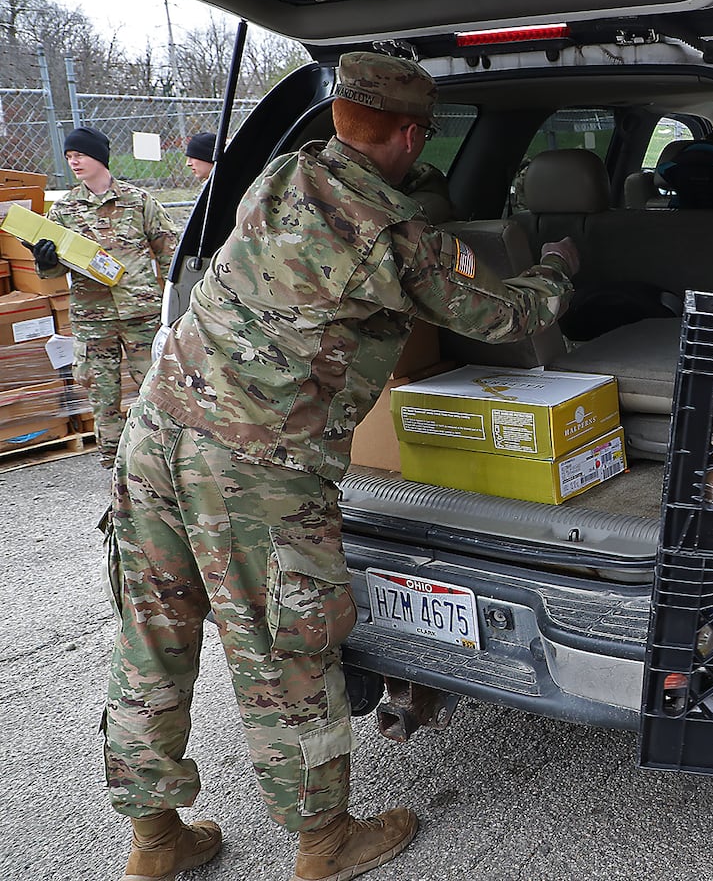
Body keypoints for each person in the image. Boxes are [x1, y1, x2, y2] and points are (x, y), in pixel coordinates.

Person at [103, 51, 580, 881]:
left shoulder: (281, 175)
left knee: (153, 634)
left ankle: (155, 838)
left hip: (155, 434)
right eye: (422, 135)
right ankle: (324, 842)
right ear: (405, 131)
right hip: (253, 470)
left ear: (334, 120)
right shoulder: (390, 236)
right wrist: (559, 269)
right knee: (283, 649)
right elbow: (501, 315)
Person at [28, 126, 178, 469]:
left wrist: (175, 305)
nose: (74, 162)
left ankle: (163, 459)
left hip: (142, 315)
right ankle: (115, 466)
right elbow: (51, 275)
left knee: (157, 387)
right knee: (103, 396)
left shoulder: (139, 202)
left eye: (79, 154)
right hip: (93, 319)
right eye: (68, 157)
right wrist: (45, 260)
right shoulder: (64, 210)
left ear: (99, 157)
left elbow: (169, 253)